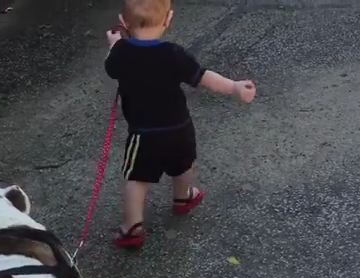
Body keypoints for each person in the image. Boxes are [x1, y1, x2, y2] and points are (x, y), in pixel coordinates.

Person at [105, 0, 256, 249]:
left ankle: (132, 226)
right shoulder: (173, 53)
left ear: (123, 23)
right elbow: (203, 77)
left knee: (136, 179)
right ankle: (183, 197)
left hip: (144, 134)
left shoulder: (121, 53)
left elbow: (111, 68)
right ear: (168, 19)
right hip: (179, 128)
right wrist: (234, 87)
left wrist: (114, 44)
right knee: (183, 165)